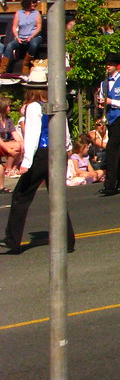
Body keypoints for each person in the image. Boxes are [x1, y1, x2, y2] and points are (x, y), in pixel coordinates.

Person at [3, 64, 75, 254]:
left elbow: (32, 135)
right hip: (57, 151)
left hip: (41, 154)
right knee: (57, 195)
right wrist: (67, 150)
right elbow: (64, 129)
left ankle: (13, 239)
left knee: (21, 195)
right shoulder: (54, 103)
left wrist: (26, 162)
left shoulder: (34, 107)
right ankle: (68, 240)